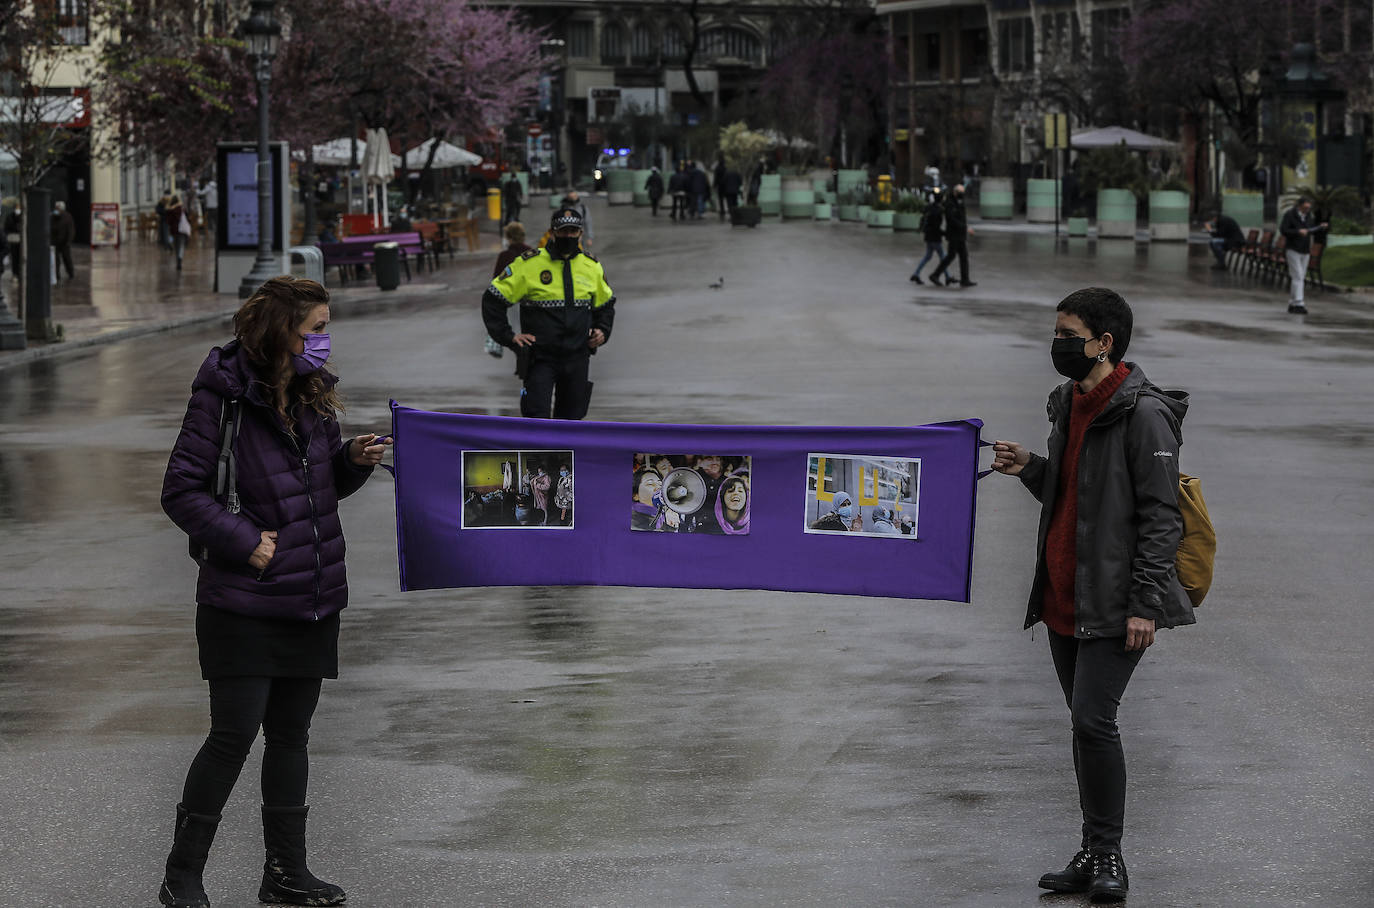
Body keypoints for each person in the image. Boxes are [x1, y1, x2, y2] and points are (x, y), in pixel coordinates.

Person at [157, 275, 390, 908]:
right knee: (233, 735)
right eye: (316, 328)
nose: (325, 340)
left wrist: (350, 463)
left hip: (310, 594)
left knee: (291, 737)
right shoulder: (223, 397)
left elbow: (315, 491)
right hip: (242, 598)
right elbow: (180, 492)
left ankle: (285, 873)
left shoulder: (312, 396)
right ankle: (183, 878)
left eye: (326, 327)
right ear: (280, 333)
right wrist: (243, 540)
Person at [990, 287, 1194, 904]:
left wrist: (1145, 603)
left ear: (1104, 343)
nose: (1057, 343)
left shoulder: (1145, 415)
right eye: (1055, 332)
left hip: (1113, 599)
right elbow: (1073, 495)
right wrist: (1030, 465)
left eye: (1067, 333)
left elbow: (1163, 517)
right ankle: (1090, 850)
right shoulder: (1067, 402)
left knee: (1093, 720)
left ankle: (1109, 855)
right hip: (1063, 596)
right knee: (1084, 727)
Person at [482, 206, 615, 420]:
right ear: (552, 232)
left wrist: (602, 331)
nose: (568, 236)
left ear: (580, 233)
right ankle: (540, 456)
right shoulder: (528, 264)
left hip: (577, 358)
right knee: (536, 421)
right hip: (539, 359)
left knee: (571, 422)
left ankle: (566, 455)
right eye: (563, 231)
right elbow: (492, 299)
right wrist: (509, 337)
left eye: (573, 231)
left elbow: (606, 305)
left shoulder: (592, 266)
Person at [1279, 197, 1325, 314]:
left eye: (1308, 208)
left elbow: (1310, 229)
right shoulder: (1290, 215)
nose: (1307, 210)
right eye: (1305, 207)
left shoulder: (1309, 216)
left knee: (1301, 276)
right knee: (1297, 275)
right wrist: (1297, 232)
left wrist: (1320, 227)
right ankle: (1299, 302)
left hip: (1305, 249)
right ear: (1299, 206)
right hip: (1293, 248)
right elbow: (1284, 230)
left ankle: (1293, 302)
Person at [928, 183, 975, 288]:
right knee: (951, 256)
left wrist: (964, 227)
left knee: (963, 257)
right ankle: (935, 275)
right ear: (955, 192)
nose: (962, 194)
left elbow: (962, 217)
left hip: (960, 235)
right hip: (954, 235)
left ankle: (965, 279)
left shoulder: (959, 202)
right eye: (960, 193)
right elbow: (952, 219)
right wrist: (965, 227)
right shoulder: (950, 203)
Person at [909, 189, 944, 284]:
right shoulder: (938, 210)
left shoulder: (928, 208)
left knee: (928, 256)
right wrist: (943, 233)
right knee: (943, 258)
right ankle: (946, 276)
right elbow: (936, 225)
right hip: (935, 237)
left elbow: (924, 218)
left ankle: (916, 274)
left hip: (928, 236)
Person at [50, 200, 75, 281]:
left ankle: (71, 273)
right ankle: (56, 275)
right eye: (56, 208)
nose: (56, 210)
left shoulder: (67, 217)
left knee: (67, 258)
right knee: (55, 260)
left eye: (58, 208)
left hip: (64, 242)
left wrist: (68, 241)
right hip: (54, 242)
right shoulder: (51, 217)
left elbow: (70, 230)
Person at [164, 194, 189, 271]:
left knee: (176, 246)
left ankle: (177, 257)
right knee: (181, 245)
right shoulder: (182, 209)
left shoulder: (169, 211)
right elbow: (187, 218)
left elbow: (168, 221)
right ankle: (179, 259)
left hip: (174, 231)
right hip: (182, 230)